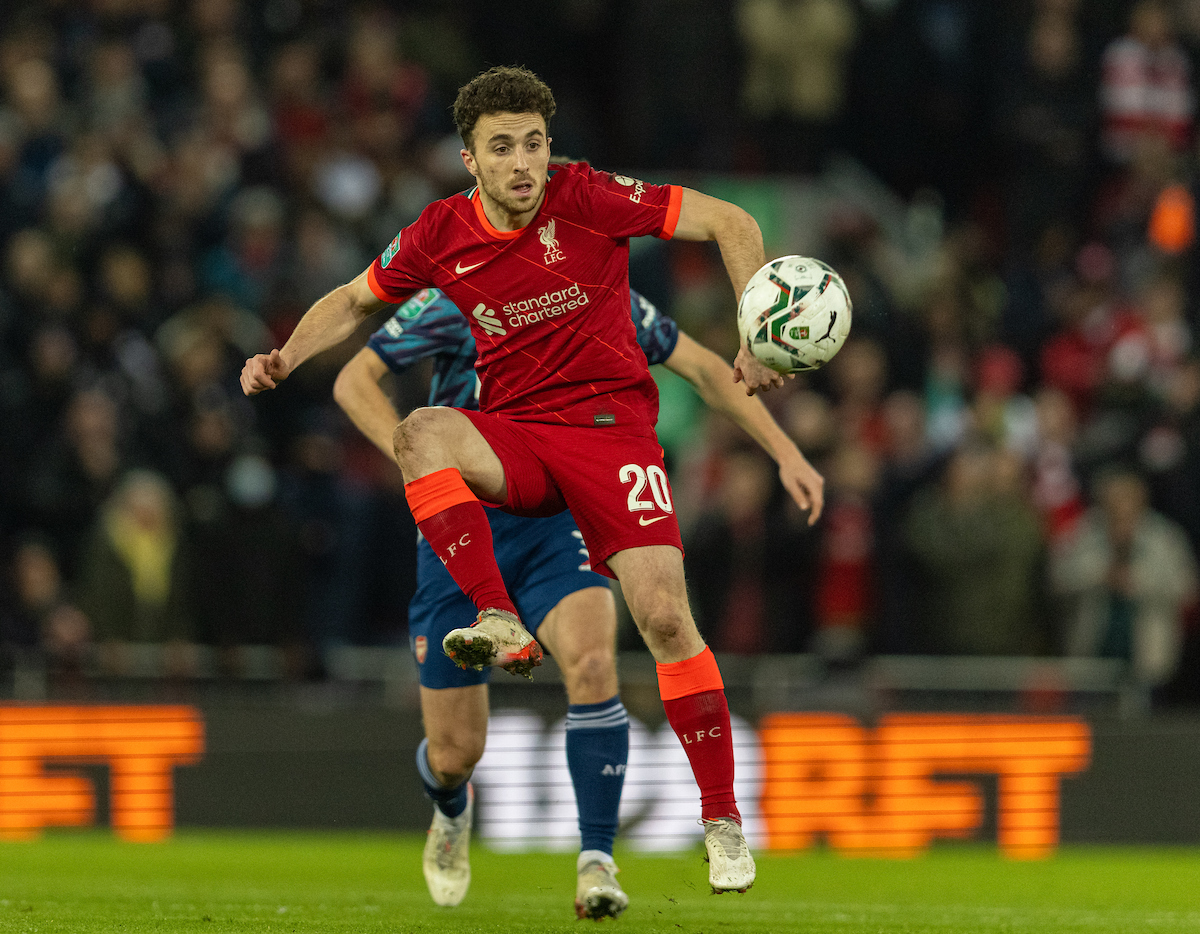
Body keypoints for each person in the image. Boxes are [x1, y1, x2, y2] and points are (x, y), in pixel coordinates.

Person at [241, 65, 797, 896]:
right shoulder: (439, 233)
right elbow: (358, 302)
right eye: (502, 148)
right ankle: (496, 618)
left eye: (534, 144)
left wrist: (756, 325)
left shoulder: (587, 194)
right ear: (470, 159)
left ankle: (719, 820)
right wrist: (288, 353)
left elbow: (729, 218)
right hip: (522, 440)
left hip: (612, 435)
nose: (524, 163)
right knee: (421, 431)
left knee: (664, 618)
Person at [332, 285, 823, 917]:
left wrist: (783, 451)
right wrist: (422, 463)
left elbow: (703, 366)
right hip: (460, 524)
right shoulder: (460, 292)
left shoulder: (599, 290)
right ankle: (451, 808)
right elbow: (354, 381)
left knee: (594, 665)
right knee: (456, 754)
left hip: (555, 517)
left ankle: (597, 861)